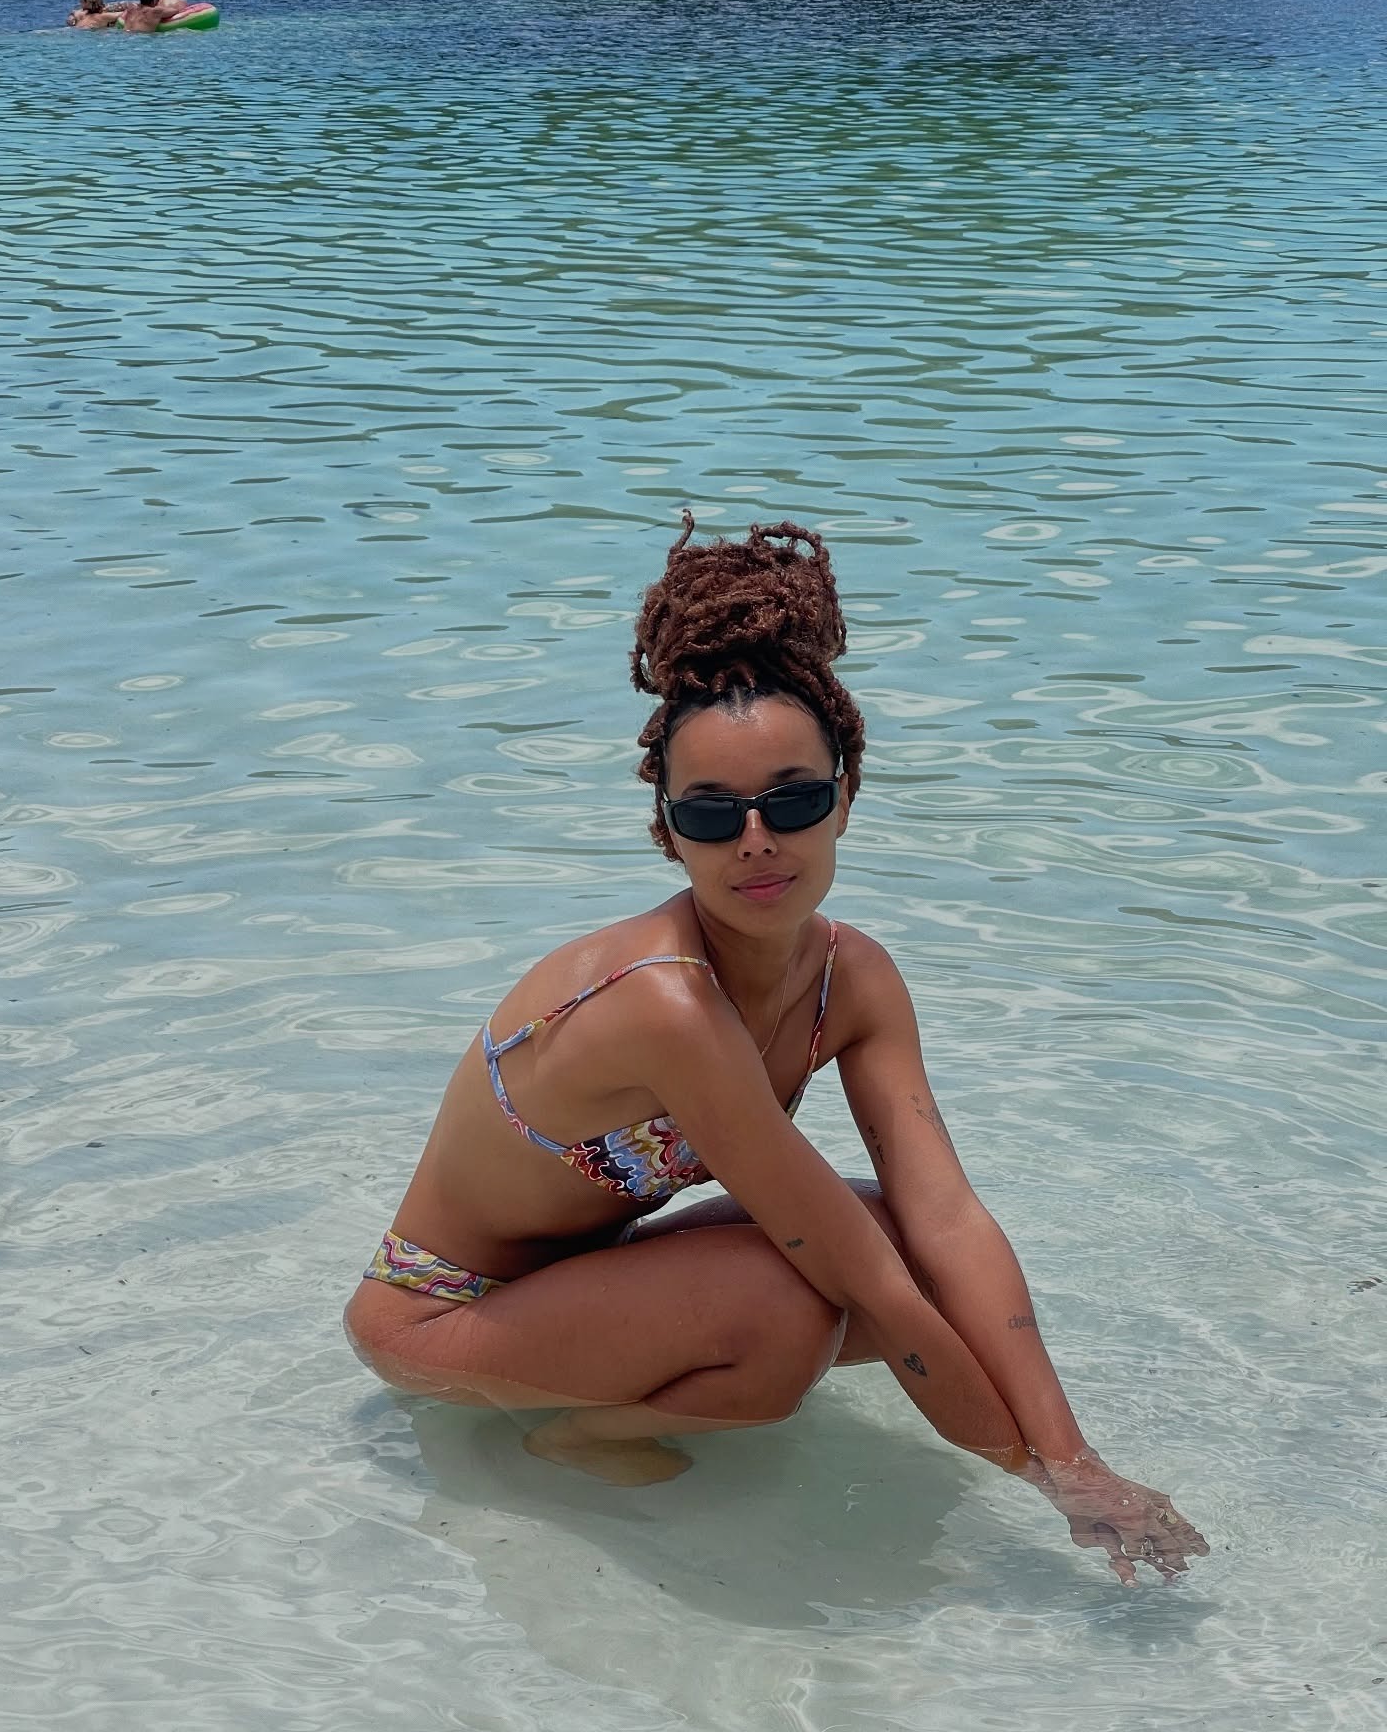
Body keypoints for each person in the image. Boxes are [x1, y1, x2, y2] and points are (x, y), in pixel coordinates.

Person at [343, 514, 1209, 1589]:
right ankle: (583, 1438)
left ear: (846, 796)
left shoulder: (857, 978)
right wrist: (1054, 1487)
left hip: (585, 1282)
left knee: (889, 1226)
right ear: (668, 832)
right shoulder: (660, 1003)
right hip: (439, 1314)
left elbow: (944, 1218)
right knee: (791, 1303)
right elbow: (867, 1288)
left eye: (793, 800)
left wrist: (1078, 1453)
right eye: (712, 816)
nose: (758, 840)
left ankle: (614, 1383)